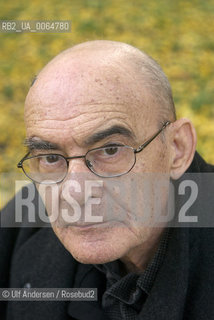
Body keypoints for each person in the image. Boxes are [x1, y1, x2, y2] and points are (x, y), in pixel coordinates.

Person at [0, 40, 214, 320]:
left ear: (177, 148)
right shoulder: (21, 223)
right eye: (51, 157)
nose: (75, 192)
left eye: (110, 150)